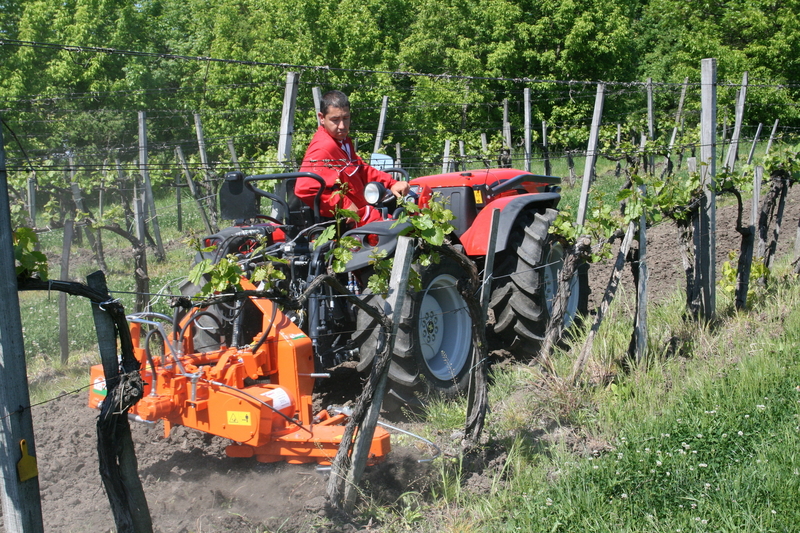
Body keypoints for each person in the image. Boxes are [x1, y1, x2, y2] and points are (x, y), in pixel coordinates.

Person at [296, 90, 409, 226]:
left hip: (363, 209)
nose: (342, 126)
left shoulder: (342, 141)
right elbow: (305, 188)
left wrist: (391, 183)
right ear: (321, 118)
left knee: (408, 213)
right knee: (398, 227)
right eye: (335, 120)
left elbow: (360, 168)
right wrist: (344, 205)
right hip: (350, 220)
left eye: (346, 118)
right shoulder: (323, 148)